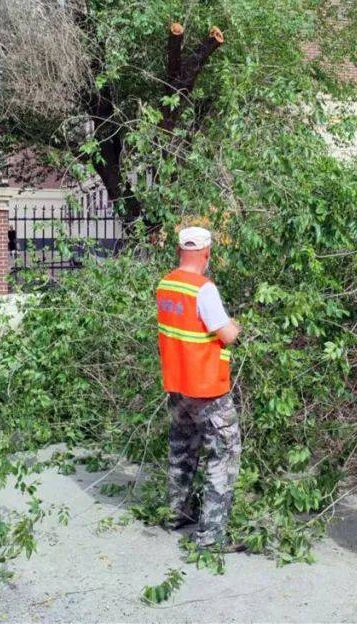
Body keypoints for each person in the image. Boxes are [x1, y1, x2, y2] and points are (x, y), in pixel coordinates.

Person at [156, 226, 243, 551]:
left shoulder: (166, 284)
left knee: (182, 449)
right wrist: (236, 325)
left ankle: (176, 513)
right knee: (223, 455)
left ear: (180, 252)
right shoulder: (203, 289)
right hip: (208, 389)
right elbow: (227, 334)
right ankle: (210, 537)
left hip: (177, 386)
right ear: (206, 254)